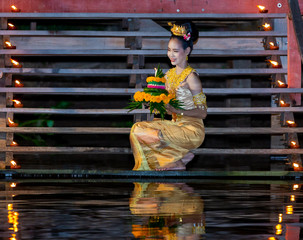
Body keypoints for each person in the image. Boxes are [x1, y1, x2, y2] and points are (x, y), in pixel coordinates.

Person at [130, 21, 207, 171]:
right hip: (175, 125)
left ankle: (176, 159)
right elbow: (167, 106)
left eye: (175, 51)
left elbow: (203, 112)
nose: (170, 55)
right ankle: (180, 156)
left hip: (191, 130)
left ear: (187, 51)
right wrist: (153, 101)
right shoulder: (168, 75)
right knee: (137, 129)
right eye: (169, 50)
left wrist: (178, 111)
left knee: (149, 133)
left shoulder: (191, 77)